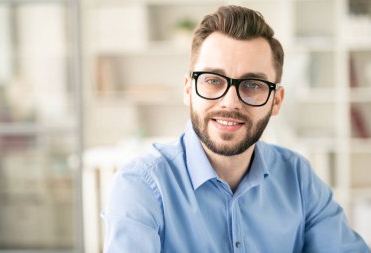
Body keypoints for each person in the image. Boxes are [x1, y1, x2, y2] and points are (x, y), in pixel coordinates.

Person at [102, 5, 370, 253]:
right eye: (212, 80)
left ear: (276, 101)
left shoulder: (298, 179)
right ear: (188, 90)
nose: (230, 102)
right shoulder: (141, 187)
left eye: (252, 84)